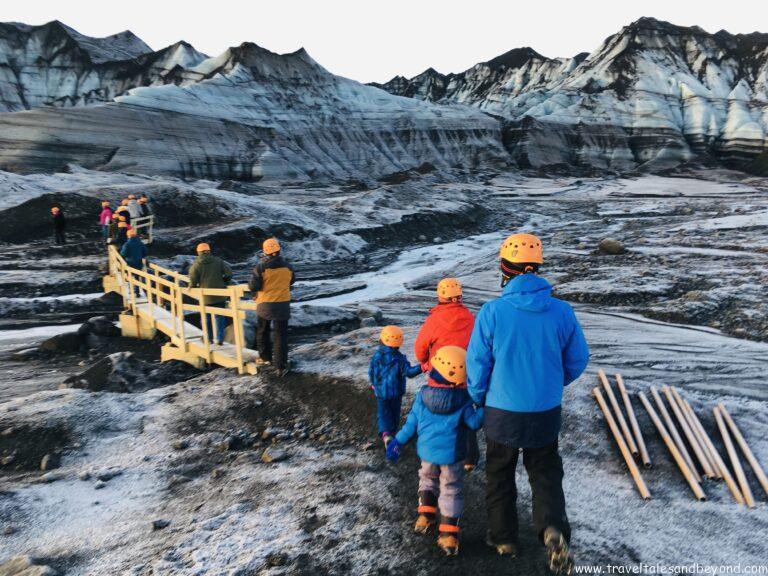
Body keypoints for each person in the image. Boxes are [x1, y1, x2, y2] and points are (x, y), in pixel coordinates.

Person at [466, 233, 589, 572]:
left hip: (501, 410)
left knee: (499, 472)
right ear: (538, 269)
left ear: (505, 268)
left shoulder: (492, 312)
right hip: (545, 411)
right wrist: (551, 382)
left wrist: (479, 398)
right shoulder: (562, 311)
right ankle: (552, 528)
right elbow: (578, 359)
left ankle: (503, 538)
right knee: (545, 471)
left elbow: (477, 364)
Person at [386, 346, 483, 556]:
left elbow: (410, 425)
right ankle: (448, 535)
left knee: (427, 478)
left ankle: (425, 516)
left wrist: (397, 442)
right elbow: (474, 424)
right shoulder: (464, 400)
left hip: (427, 453)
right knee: (451, 489)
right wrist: (484, 408)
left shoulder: (422, 396)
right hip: (452, 456)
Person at [414, 278, 479, 472]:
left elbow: (420, 348)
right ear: (459, 295)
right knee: (466, 414)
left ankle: (439, 455)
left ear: (440, 295)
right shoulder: (469, 317)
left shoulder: (434, 319)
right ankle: (469, 458)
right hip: (464, 375)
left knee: (438, 415)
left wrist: (426, 362)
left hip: (440, 375)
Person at [369, 325, 423, 447]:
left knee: (383, 413)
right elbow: (409, 373)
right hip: (396, 392)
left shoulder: (376, 356)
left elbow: (372, 372)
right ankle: (392, 433)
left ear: (382, 339)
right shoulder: (400, 359)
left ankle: (386, 435)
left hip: (381, 392)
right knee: (394, 412)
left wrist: (373, 384)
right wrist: (422, 367)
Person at [248, 238, 294, 377]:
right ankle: (280, 366)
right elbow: (292, 280)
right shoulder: (288, 266)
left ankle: (265, 358)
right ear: (279, 249)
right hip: (282, 303)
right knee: (281, 335)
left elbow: (253, 286)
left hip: (265, 304)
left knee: (263, 331)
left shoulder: (260, 267)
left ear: (266, 252)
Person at [189, 243, 233, 346]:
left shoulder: (196, 264)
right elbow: (229, 273)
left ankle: (209, 339)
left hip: (206, 297)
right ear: (209, 251)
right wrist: (224, 281)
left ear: (199, 252)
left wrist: (193, 286)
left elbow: (193, 279)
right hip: (220, 295)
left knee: (206, 318)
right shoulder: (218, 261)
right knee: (220, 317)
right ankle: (220, 339)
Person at [120, 229, 148, 297]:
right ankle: (137, 292)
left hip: (130, 263)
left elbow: (123, 254)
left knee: (130, 277)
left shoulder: (127, 244)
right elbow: (146, 252)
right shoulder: (140, 243)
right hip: (138, 262)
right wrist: (141, 256)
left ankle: (131, 291)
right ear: (135, 235)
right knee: (137, 277)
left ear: (128, 235)